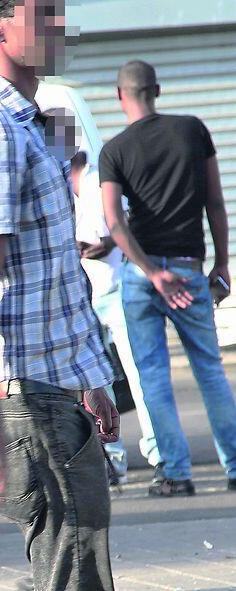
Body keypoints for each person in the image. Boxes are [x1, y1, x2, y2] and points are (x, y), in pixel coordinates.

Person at [0, 0, 119, 590]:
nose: (59, 26)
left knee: (71, 567)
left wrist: (90, 378)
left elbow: (52, 273)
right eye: (44, 13)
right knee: (74, 573)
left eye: (60, 10)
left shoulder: (33, 124)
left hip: (53, 389)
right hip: (25, 401)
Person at [100, 59, 236, 495]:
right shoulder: (193, 130)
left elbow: (115, 224)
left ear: (119, 96)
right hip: (188, 269)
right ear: (156, 90)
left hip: (143, 279)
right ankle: (235, 467)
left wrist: (151, 272)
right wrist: (221, 263)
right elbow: (215, 203)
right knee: (209, 371)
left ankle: (176, 475)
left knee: (153, 377)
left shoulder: (114, 151)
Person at [68, 149, 162, 482]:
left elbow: (124, 224)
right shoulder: (59, 185)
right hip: (85, 297)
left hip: (115, 290)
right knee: (96, 384)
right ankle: (111, 461)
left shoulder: (99, 180)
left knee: (138, 376)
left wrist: (105, 243)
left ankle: (158, 455)